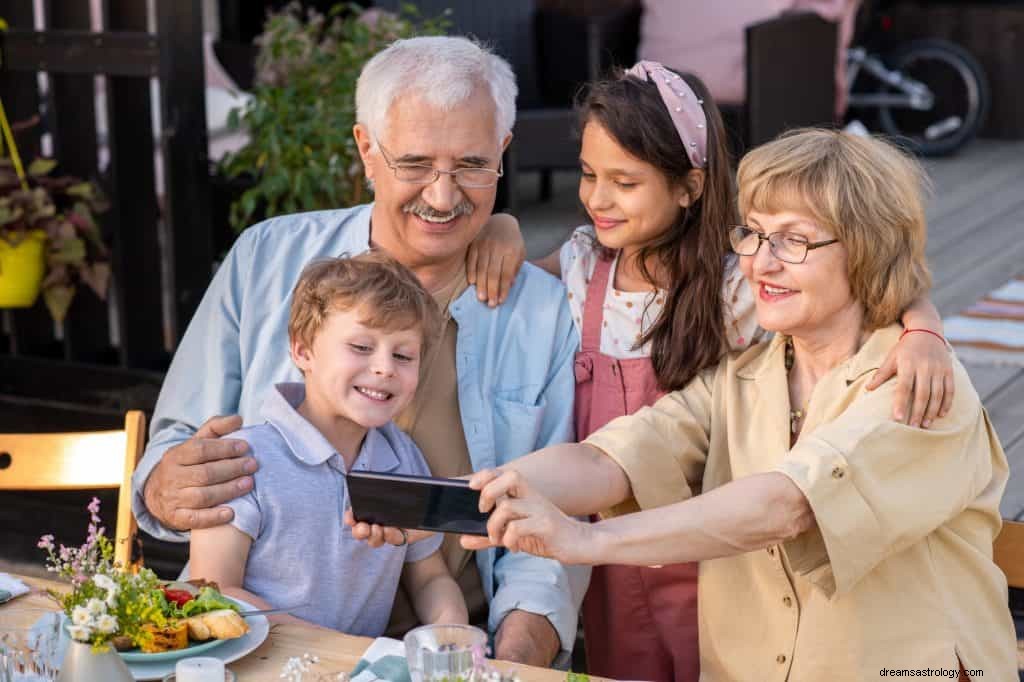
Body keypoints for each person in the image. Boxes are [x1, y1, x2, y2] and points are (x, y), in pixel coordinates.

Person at [464, 129, 1017, 681]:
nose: (761, 263)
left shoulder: (922, 389)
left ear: (866, 247)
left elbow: (789, 505)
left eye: (794, 240)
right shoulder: (744, 374)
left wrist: (586, 540)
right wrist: (468, 497)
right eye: (752, 234)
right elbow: (611, 458)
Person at [131, 36, 586, 666]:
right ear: (367, 149)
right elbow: (174, 449)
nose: (444, 195)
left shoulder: (541, 312)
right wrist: (164, 487)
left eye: (473, 165)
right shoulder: (266, 259)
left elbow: (550, 531)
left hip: (450, 645)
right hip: (269, 646)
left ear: (503, 154)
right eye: (415, 162)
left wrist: (503, 663)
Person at [189, 254, 467, 635]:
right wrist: (332, 649)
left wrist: (452, 629)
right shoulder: (241, 459)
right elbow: (213, 590)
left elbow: (429, 577)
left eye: (402, 355)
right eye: (361, 347)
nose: (385, 367)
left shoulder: (403, 459)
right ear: (303, 351)